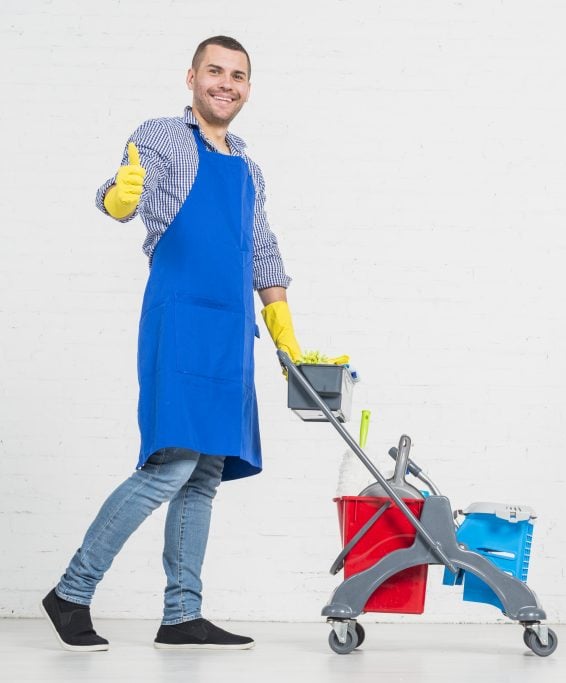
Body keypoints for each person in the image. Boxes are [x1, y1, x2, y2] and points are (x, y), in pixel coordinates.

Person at [42, 35, 343, 652]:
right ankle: (72, 591)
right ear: (192, 78)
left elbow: (264, 253)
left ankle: (182, 614)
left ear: (248, 88)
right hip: (179, 319)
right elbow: (117, 196)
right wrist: (117, 198)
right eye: (215, 72)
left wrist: (288, 336)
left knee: (204, 473)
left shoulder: (250, 167)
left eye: (237, 75)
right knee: (169, 465)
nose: (225, 84)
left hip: (232, 330)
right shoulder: (160, 136)